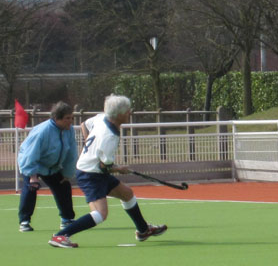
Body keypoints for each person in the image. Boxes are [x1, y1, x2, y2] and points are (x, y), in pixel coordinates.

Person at [49, 95, 167, 248]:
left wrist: (91, 148)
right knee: (100, 215)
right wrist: (120, 169)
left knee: (127, 193)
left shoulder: (101, 118)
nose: (129, 113)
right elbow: (106, 166)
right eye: (127, 111)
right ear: (118, 114)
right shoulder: (109, 137)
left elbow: (85, 124)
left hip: (95, 171)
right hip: (90, 175)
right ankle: (61, 236)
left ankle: (143, 230)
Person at [17, 101, 78, 232]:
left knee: (63, 186)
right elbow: (30, 154)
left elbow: (71, 152)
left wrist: (67, 174)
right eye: (67, 118)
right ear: (57, 118)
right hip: (33, 163)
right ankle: (24, 221)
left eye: (71, 118)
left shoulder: (69, 130)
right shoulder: (42, 131)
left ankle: (67, 219)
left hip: (52, 166)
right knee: (31, 188)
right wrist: (33, 176)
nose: (71, 121)